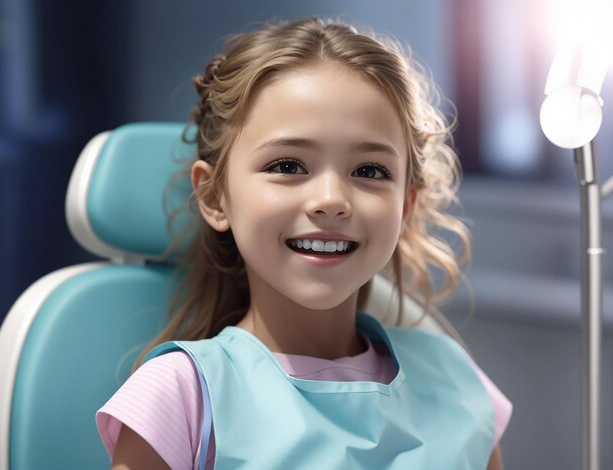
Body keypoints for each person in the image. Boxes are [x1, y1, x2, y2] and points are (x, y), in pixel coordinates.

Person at [96, 17, 512, 470]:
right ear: (215, 196)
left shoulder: (454, 379)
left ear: (405, 206)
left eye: (370, 171)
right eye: (289, 165)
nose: (332, 201)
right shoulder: (182, 396)